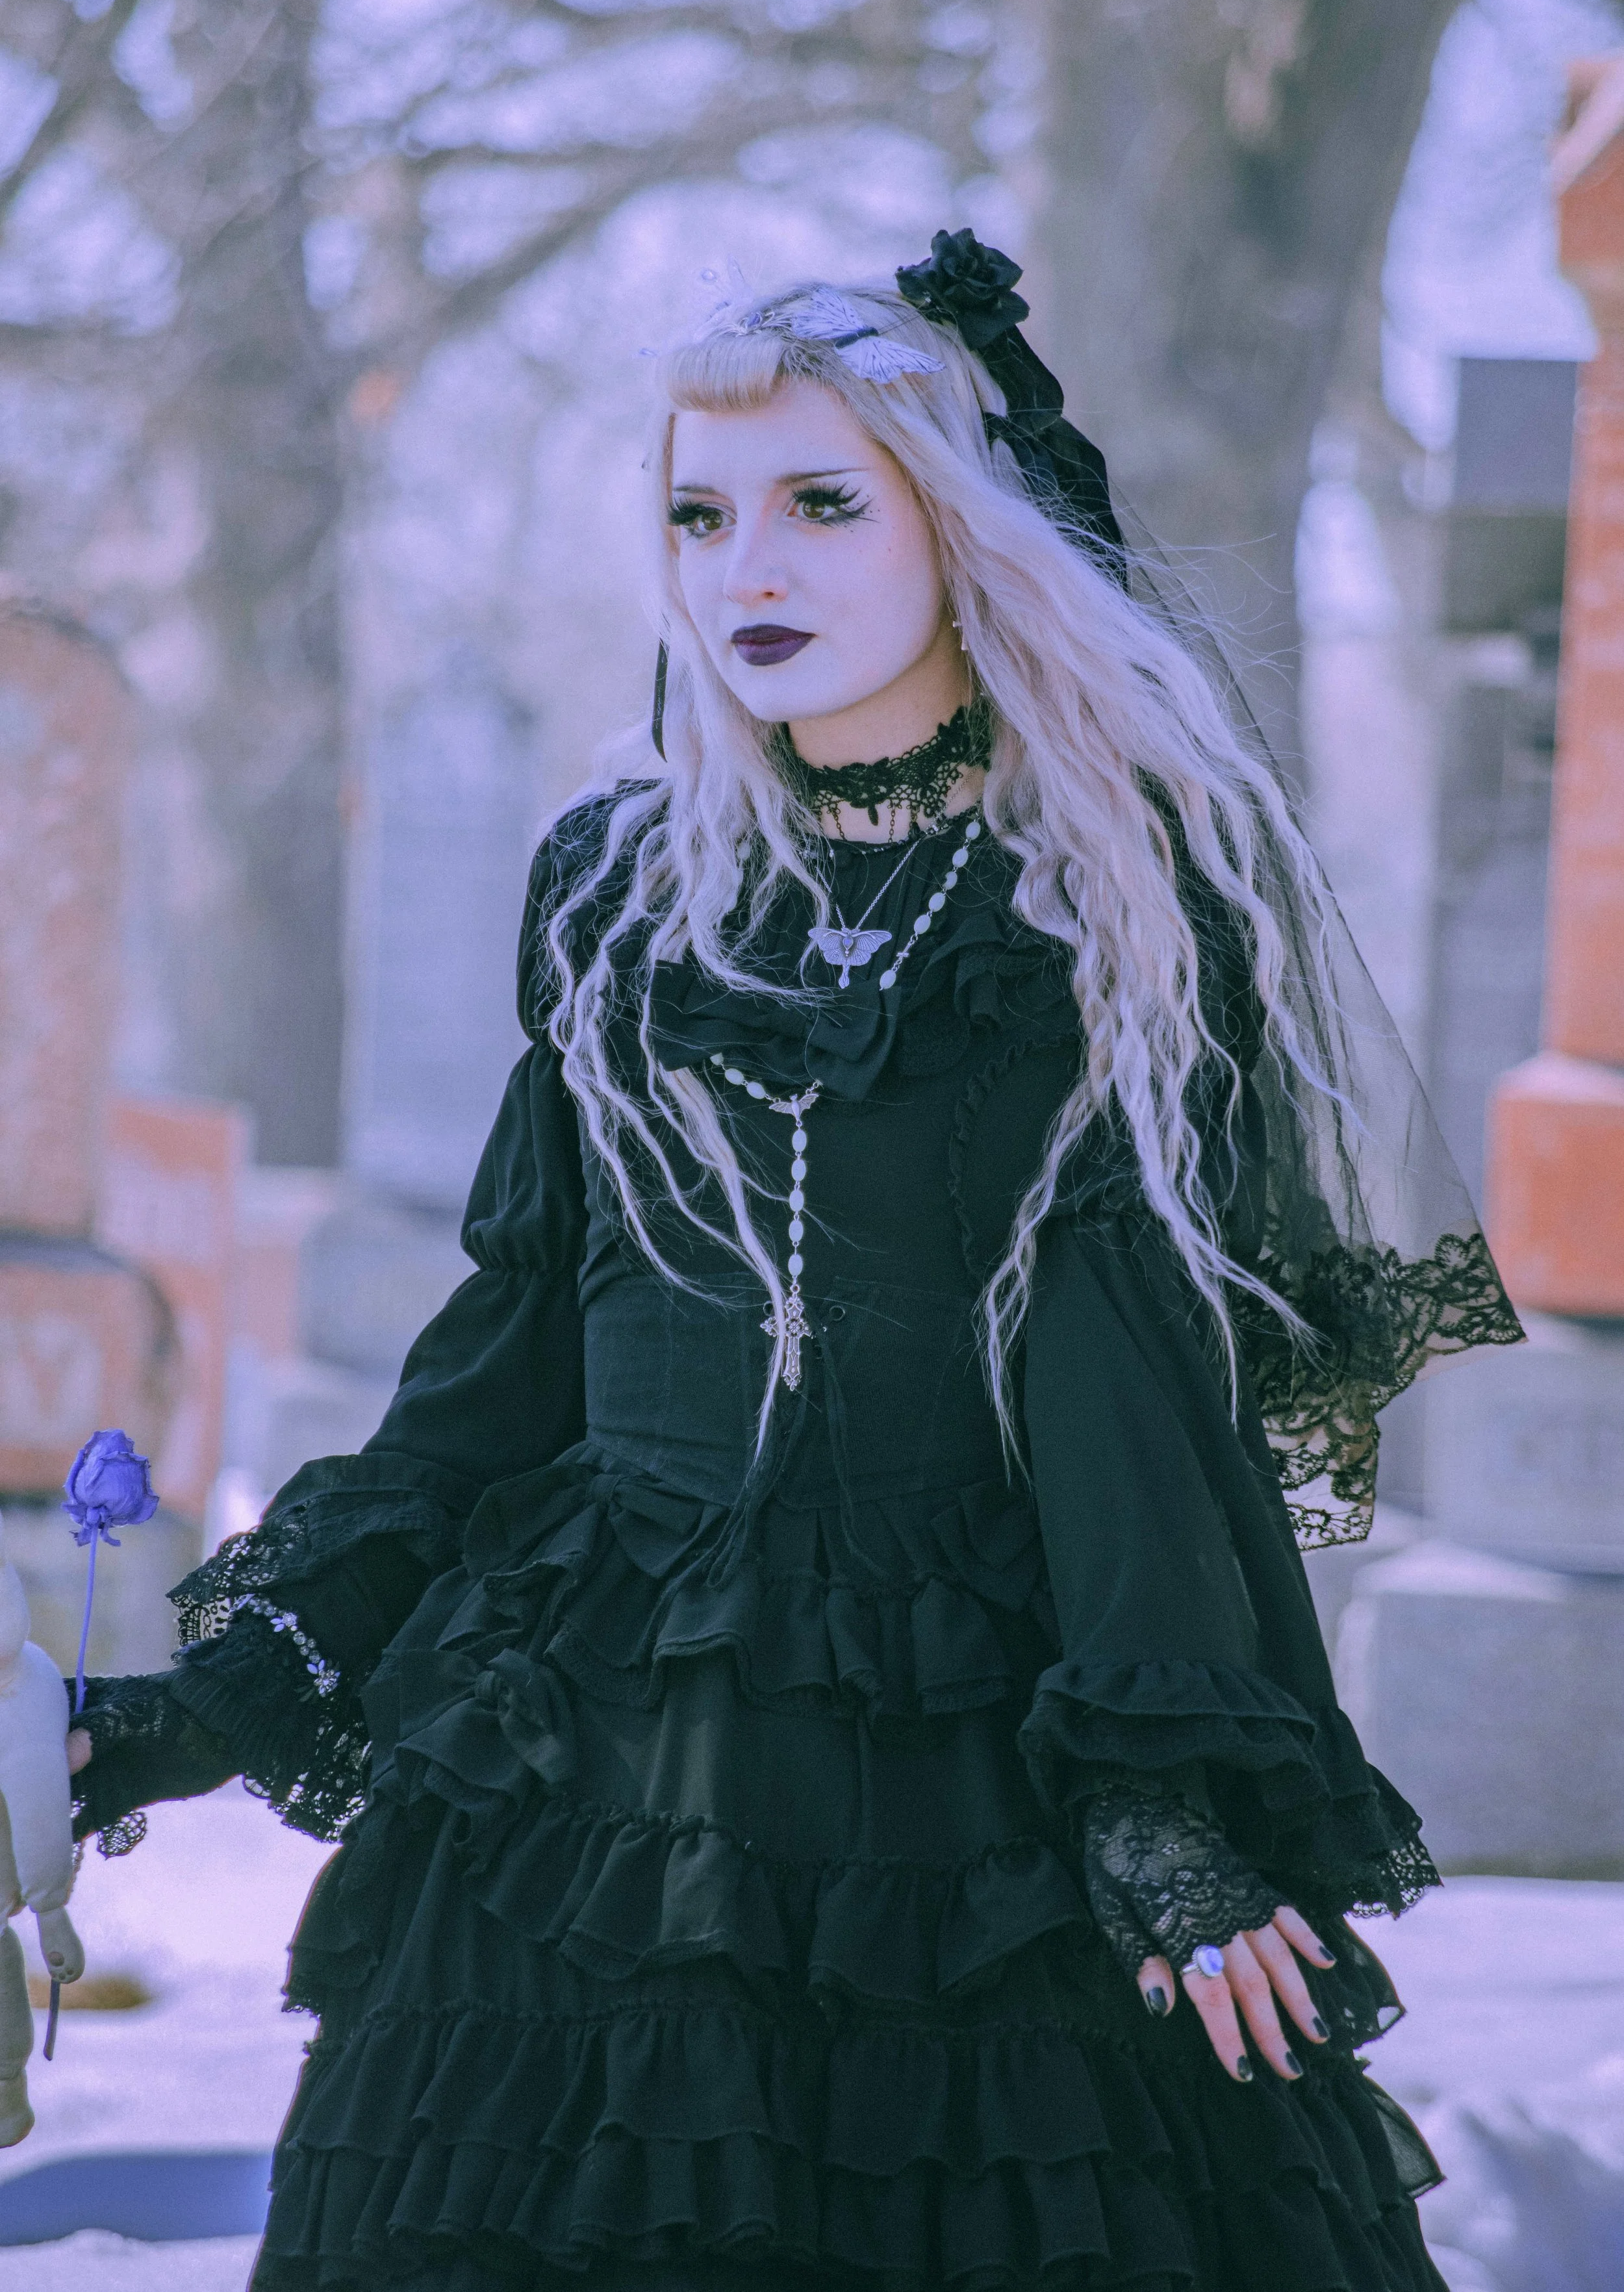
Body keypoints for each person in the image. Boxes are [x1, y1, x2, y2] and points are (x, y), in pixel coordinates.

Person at [66, 231, 1524, 2292]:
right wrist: (205, 1693)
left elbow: (1131, 1383)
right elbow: (500, 1370)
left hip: (972, 1770)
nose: (749, 562)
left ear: (961, 529)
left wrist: (1158, 1803)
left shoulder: (1092, 910)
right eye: (699, 511)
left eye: (822, 502)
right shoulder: (614, 886)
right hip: (584, 1773)